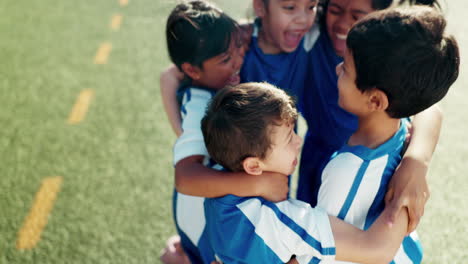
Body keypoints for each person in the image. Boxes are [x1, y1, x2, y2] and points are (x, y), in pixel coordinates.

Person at [201, 82, 411, 264]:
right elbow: (377, 249)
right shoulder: (277, 222)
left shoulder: (219, 186)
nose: (298, 141)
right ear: (253, 166)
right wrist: (403, 193)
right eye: (288, 138)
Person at [315, 5, 459, 263]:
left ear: (375, 101)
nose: (337, 69)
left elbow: (323, 253)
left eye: (346, 68)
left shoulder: (345, 174)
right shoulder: (402, 127)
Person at [296, 0, 443, 233]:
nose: (343, 22)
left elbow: (429, 109)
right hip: (317, 157)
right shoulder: (307, 36)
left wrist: (415, 162)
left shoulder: (387, 64)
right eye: (334, 10)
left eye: (357, 15)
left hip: (361, 162)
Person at [160, 1, 246, 263]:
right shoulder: (199, 106)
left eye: (239, 49)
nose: (237, 62)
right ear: (192, 70)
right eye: (226, 60)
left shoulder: (211, 81)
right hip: (202, 218)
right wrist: (254, 183)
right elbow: (188, 169)